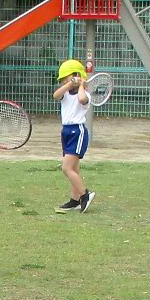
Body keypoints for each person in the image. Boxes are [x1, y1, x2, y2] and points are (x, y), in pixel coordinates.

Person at [51, 59, 95, 212]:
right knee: (74, 169)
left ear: (77, 75)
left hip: (78, 131)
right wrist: (69, 84)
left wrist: (81, 84)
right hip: (66, 131)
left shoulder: (85, 94)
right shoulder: (65, 93)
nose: (64, 81)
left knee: (66, 168)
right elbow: (56, 95)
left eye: (67, 77)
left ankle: (85, 194)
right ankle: (75, 199)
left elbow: (82, 99)